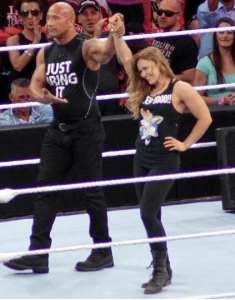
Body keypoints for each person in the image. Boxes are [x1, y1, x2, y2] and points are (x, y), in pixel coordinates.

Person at [3, 2, 124, 274]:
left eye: (55, 18)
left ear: (71, 22)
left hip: (86, 129)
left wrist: (114, 33)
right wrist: (39, 94)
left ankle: (103, 250)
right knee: (45, 191)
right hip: (57, 130)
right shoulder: (47, 50)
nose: (48, 22)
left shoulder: (85, 46)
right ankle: (38, 254)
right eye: (47, 18)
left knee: (92, 192)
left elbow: (104, 54)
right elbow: (35, 81)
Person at [109, 14, 212, 294]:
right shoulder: (144, 88)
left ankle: (160, 269)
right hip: (141, 158)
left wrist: (185, 144)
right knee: (152, 214)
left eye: (147, 68)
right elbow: (124, 59)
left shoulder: (180, 88)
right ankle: (164, 267)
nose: (144, 74)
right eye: (140, 70)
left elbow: (205, 118)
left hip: (165, 159)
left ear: (158, 61)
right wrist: (117, 33)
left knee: (147, 213)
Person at [77, 0, 121, 115]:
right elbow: (86, 62)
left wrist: (118, 30)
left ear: (100, 16)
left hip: (111, 98)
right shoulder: (76, 41)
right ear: (79, 19)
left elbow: (123, 61)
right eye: (85, 14)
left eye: (93, 13)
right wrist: (96, 37)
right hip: (87, 101)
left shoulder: (110, 36)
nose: (89, 18)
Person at [151, 0, 198, 85]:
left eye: (168, 13)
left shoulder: (186, 43)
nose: (163, 16)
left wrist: (161, 78)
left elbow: (190, 78)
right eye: (160, 12)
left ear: (178, 16)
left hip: (173, 93)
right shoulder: (158, 38)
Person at [194, 17, 235, 106]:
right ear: (215, 36)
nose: (225, 35)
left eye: (229, 32)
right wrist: (222, 100)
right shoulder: (204, 63)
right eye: (221, 32)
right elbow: (195, 97)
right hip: (216, 114)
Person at [6, 0, 48, 81]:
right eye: (25, 13)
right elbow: (18, 66)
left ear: (41, 15)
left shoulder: (49, 39)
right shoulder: (14, 40)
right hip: (22, 87)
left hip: (44, 86)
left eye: (34, 12)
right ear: (20, 17)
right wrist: (35, 42)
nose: (30, 16)